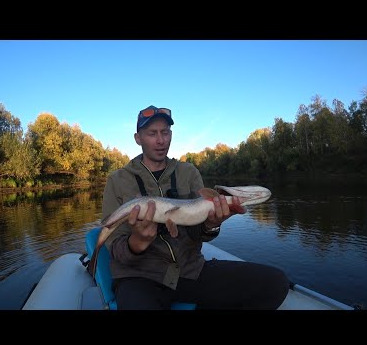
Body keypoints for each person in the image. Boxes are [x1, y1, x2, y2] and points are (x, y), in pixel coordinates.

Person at [101, 105, 289, 310]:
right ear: (138, 138)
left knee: (275, 284)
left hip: (190, 271)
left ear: (171, 134)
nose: (160, 140)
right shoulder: (117, 180)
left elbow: (199, 234)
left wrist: (211, 224)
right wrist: (137, 242)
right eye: (152, 133)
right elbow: (115, 248)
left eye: (165, 132)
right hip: (139, 277)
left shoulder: (188, 172)